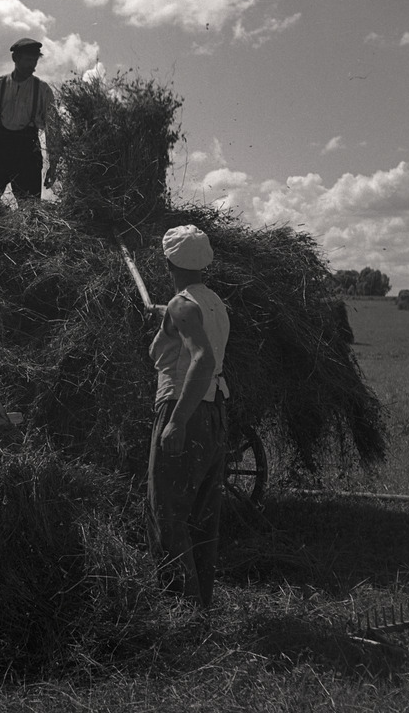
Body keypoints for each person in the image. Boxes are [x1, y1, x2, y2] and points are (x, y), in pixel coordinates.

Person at [146, 224, 230, 611]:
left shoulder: (183, 306)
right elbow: (190, 322)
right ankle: (201, 608)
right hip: (214, 412)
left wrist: (177, 422)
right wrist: (167, 315)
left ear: (168, 262)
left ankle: (178, 615)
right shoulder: (212, 302)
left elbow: (202, 358)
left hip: (184, 408)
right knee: (202, 517)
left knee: (169, 513)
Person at [0, 37, 57, 203]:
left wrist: (53, 165)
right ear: (15, 59)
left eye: (34, 60)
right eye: (27, 60)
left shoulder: (43, 90)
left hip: (28, 150)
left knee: (30, 209)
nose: (31, 65)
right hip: (0, 146)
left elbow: (53, 130)